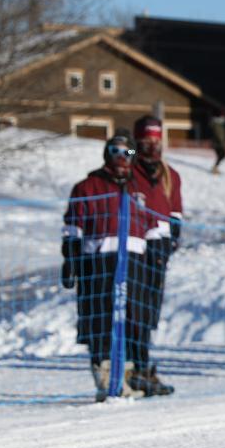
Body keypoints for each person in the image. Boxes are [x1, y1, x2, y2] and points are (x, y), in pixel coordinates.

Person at [61, 132, 152, 401]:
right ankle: (104, 376)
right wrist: (70, 260)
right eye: (115, 151)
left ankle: (128, 375)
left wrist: (157, 255)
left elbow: (153, 225)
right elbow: (72, 227)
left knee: (133, 318)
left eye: (128, 153)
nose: (122, 158)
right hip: (99, 260)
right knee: (101, 318)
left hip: (135, 260)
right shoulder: (88, 187)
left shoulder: (139, 189)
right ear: (106, 154)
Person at [127, 115, 180, 396]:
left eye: (156, 142)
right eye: (146, 141)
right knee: (132, 308)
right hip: (134, 243)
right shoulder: (130, 167)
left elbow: (176, 213)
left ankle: (143, 364)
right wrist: (135, 149)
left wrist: (172, 240)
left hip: (158, 245)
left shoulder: (170, 175)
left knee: (149, 309)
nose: (151, 147)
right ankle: (133, 365)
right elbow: (124, 152)